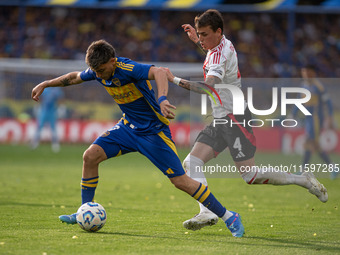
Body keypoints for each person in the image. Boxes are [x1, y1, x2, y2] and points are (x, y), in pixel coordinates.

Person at [31, 39, 245, 237]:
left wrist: (161, 99)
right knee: (90, 156)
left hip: (154, 132)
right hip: (127, 128)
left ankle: (229, 216)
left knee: (180, 181)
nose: (99, 75)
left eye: (102, 70)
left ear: (113, 61)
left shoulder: (127, 68)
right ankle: (83, 211)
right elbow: (74, 77)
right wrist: (46, 83)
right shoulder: (98, 71)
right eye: (96, 71)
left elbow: (160, 72)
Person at [161, 9, 328, 231]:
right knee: (192, 162)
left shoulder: (219, 54)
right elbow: (212, 55)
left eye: (204, 34)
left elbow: (208, 86)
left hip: (235, 117)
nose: (201, 39)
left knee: (250, 175)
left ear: (218, 32)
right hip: (221, 118)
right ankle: (207, 212)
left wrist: (173, 79)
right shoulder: (223, 45)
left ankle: (303, 179)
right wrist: (198, 41)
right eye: (199, 34)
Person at [292, 65, 338, 180]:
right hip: (308, 119)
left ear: (312, 72)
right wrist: (292, 114)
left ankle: (303, 170)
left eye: (307, 72)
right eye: (303, 72)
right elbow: (298, 102)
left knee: (310, 143)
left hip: (316, 118)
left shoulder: (318, 86)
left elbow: (328, 102)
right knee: (314, 145)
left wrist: (330, 116)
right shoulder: (303, 86)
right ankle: (333, 168)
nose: (305, 74)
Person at [31, 86, 64, 152]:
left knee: (53, 128)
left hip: (52, 111)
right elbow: (40, 97)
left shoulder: (56, 90)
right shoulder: (44, 89)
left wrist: (60, 108)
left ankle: (55, 144)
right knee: (39, 126)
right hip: (44, 110)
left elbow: (60, 99)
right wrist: (38, 106)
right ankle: (35, 142)